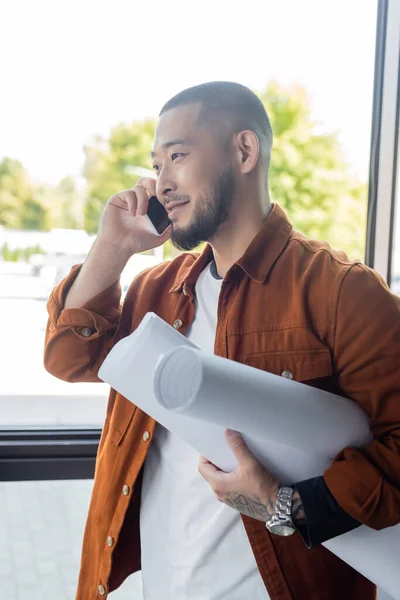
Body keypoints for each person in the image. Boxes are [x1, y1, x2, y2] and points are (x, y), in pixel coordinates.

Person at [44, 81, 400, 600]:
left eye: (178, 155)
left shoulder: (341, 290)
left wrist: (288, 504)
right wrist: (112, 247)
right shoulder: (153, 292)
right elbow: (68, 359)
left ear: (244, 150)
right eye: (156, 163)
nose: (160, 181)